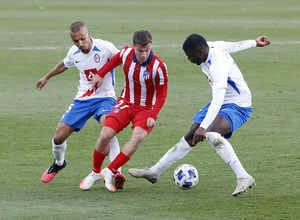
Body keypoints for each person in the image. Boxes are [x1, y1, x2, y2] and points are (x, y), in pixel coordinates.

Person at [128, 35, 271, 196]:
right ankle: (154, 172)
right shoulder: (212, 46)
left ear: (201, 51)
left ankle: (244, 177)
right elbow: (232, 45)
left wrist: (204, 127)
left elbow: (218, 97)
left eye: (190, 55)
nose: (189, 59)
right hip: (224, 102)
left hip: (238, 104)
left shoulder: (218, 65)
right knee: (191, 135)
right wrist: (254, 43)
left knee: (210, 133)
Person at [37, 21, 124, 186]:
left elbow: (122, 59)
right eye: (76, 41)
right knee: (58, 137)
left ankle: (116, 173)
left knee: (108, 129)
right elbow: (65, 64)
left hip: (105, 97)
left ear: (89, 34)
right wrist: (46, 77)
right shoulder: (74, 52)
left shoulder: (106, 47)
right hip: (82, 99)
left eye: (83, 39)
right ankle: (59, 163)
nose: (80, 44)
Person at [79, 29, 168, 192]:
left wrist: (154, 114)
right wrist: (100, 73)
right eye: (140, 51)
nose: (143, 54)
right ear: (133, 46)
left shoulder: (159, 66)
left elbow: (162, 94)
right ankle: (95, 173)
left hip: (146, 109)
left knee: (138, 138)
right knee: (105, 134)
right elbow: (115, 60)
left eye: (147, 50)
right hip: (126, 102)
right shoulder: (126, 53)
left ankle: (111, 170)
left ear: (151, 46)